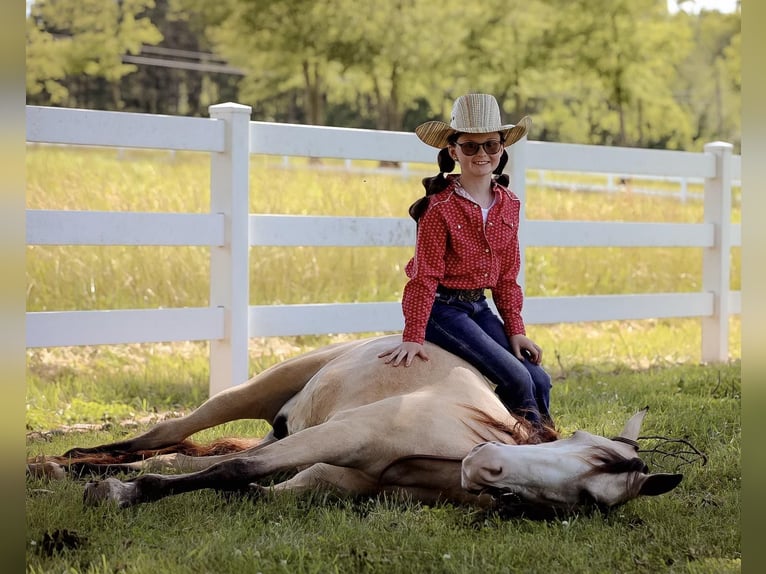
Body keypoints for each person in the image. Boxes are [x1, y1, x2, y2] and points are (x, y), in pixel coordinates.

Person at [378, 93, 552, 428]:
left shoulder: (509, 204)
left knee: (539, 379)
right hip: (442, 311)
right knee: (516, 378)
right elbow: (424, 277)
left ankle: (544, 442)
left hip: (479, 308)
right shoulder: (438, 209)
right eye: (470, 146)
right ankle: (533, 444)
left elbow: (506, 277)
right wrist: (413, 335)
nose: (482, 154)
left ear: (502, 149)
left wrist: (515, 330)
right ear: (453, 150)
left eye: (491, 145)